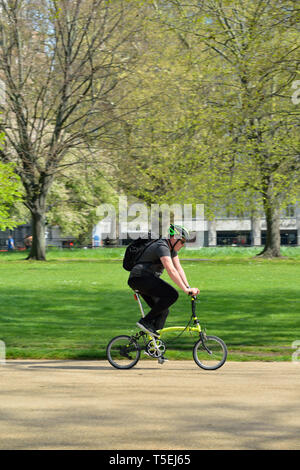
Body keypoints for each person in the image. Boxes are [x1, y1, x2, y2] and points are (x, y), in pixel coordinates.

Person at [127, 224, 200, 339]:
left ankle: (155, 348)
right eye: (182, 241)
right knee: (172, 295)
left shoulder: (172, 251)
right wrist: (185, 290)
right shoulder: (162, 246)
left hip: (145, 280)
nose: (183, 245)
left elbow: (178, 269)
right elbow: (171, 270)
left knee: (163, 311)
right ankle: (145, 321)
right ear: (174, 238)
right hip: (140, 278)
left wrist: (188, 287)